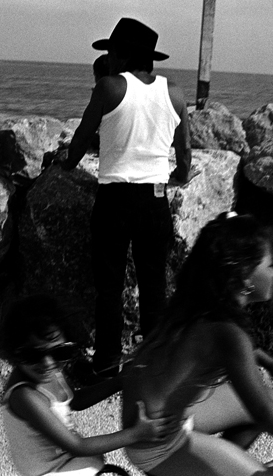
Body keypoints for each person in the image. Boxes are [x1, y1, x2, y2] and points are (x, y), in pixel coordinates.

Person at [120, 212, 273, 475]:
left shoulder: (202, 305)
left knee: (267, 397)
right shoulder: (229, 334)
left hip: (158, 417)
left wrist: (267, 360)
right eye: (269, 265)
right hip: (158, 444)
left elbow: (219, 349)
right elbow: (264, 412)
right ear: (245, 275)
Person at [57, 17, 192, 379]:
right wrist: (180, 176)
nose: (109, 59)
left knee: (109, 285)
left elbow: (82, 137)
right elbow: (184, 150)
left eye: (112, 52)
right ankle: (155, 361)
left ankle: (106, 361)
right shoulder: (174, 92)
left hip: (115, 199)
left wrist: (66, 164)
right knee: (154, 284)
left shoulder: (109, 87)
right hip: (155, 199)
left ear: (122, 54)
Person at [0, 294, 176, 476]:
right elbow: (77, 446)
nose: (48, 363)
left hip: (66, 460)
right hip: (51, 471)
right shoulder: (24, 396)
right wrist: (137, 433)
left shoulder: (52, 372)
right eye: (33, 356)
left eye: (60, 352)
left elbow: (76, 400)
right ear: (14, 353)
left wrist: (119, 381)